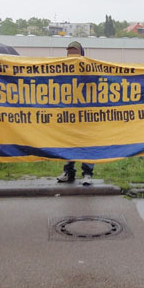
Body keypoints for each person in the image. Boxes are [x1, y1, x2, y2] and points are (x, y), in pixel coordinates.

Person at [56, 41, 94, 186]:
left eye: (74, 51)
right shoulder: (62, 69)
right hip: (69, 115)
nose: (71, 54)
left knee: (87, 146)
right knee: (69, 144)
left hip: (86, 115)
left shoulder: (89, 68)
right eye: (69, 52)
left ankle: (88, 173)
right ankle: (68, 172)